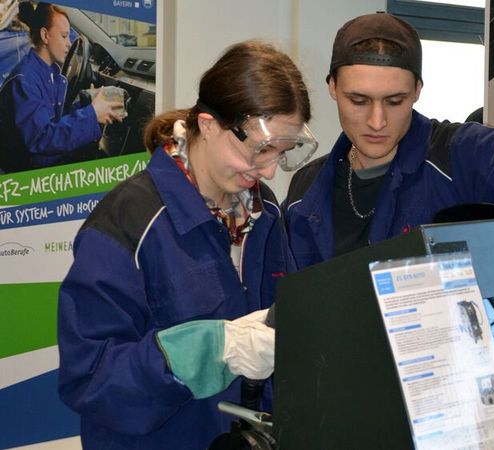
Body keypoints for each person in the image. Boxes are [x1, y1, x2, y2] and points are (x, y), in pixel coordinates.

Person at [57, 40, 318, 448]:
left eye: (281, 153)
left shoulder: (263, 211)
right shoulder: (128, 222)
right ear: (209, 124)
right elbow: (91, 380)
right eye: (260, 149)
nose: (268, 169)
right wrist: (205, 352)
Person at [284, 12, 494, 269]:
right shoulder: (304, 189)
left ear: (418, 91)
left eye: (395, 101)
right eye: (358, 100)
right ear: (333, 87)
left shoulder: (459, 152)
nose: (377, 121)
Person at [0, 2, 121, 173]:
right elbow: (41, 139)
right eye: (64, 36)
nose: (69, 43)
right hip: (27, 171)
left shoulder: (48, 71)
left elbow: (53, 119)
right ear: (45, 35)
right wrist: (92, 115)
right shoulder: (25, 81)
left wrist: (87, 103)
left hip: (38, 160)